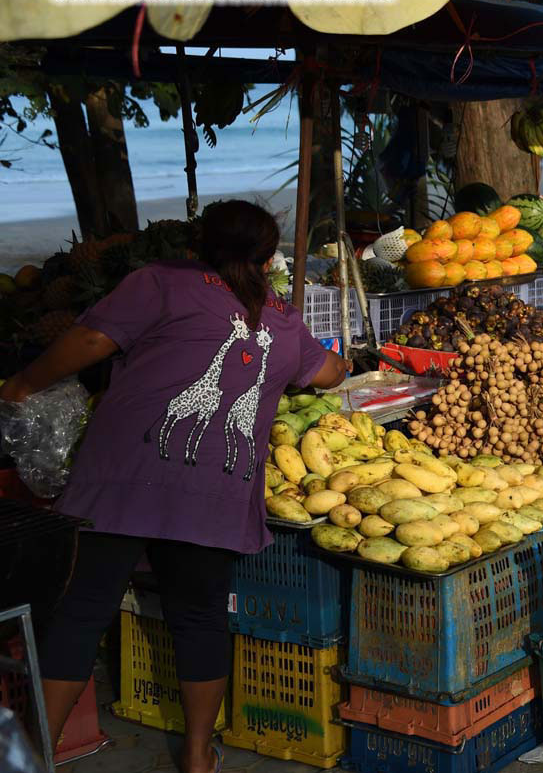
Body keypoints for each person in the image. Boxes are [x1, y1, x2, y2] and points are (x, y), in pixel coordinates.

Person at [0, 201, 348, 773]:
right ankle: (195, 756)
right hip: (213, 492)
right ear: (268, 257)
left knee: (81, 612)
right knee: (200, 615)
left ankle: (36, 754)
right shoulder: (281, 317)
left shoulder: (159, 282)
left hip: (121, 480)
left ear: (199, 242)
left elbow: (89, 343)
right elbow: (329, 375)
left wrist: (22, 382)